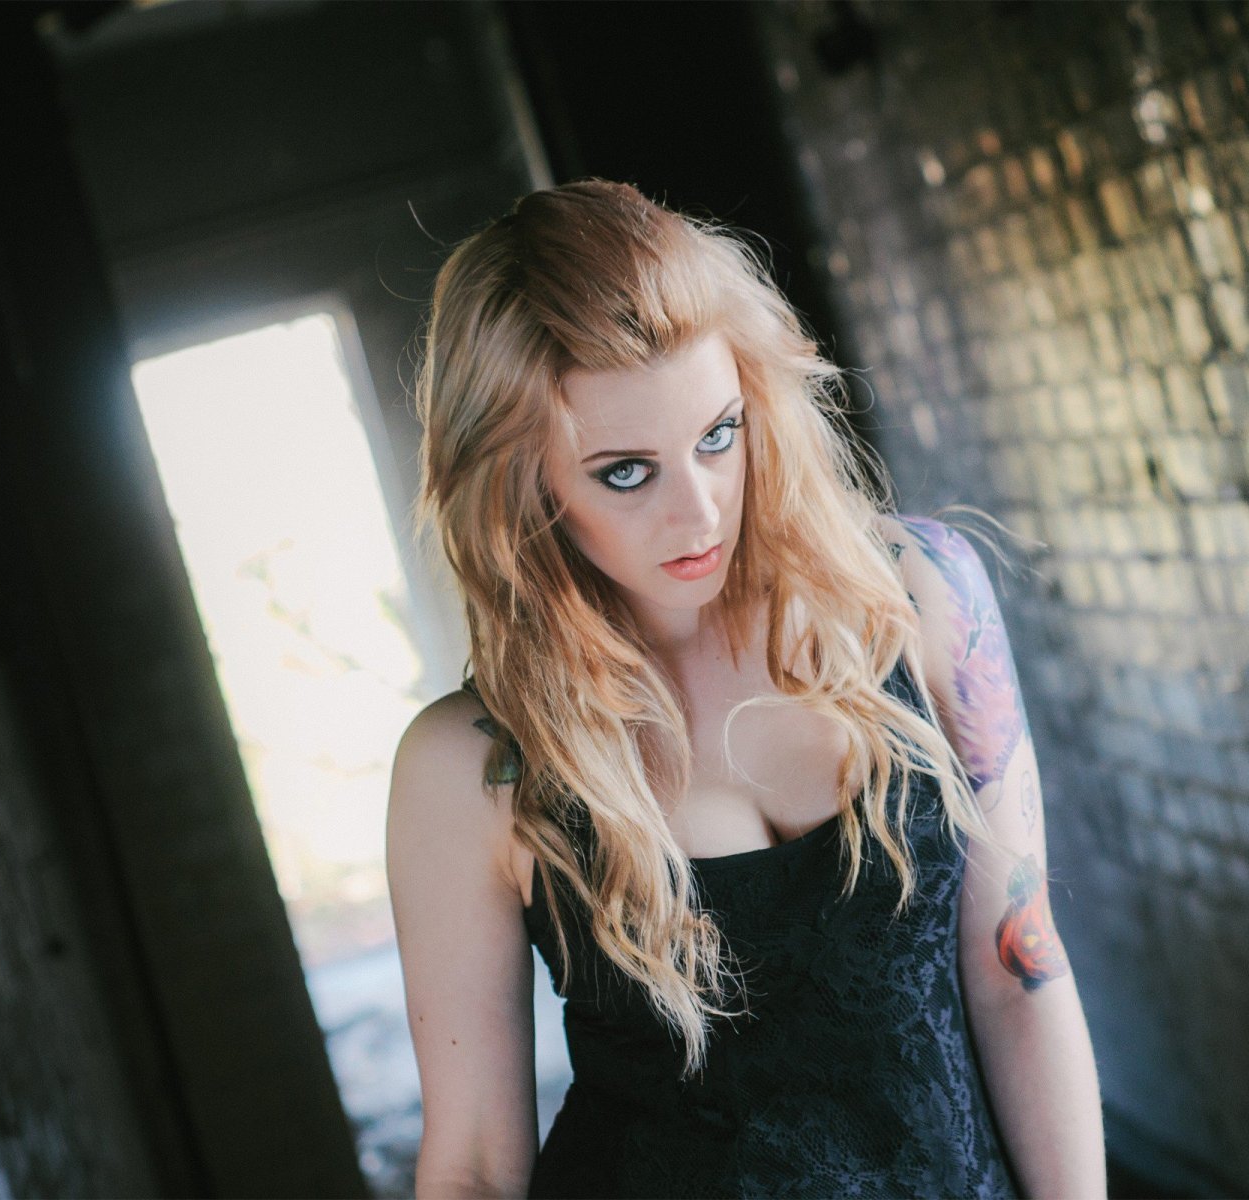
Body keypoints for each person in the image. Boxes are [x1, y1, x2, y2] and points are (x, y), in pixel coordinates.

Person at [386, 179, 1106, 1199]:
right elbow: (471, 1163)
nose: (699, 512)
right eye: (625, 473)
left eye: (718, 434)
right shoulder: (471, 766)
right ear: (523, 484)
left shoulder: (912, 596)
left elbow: (1018, 970)